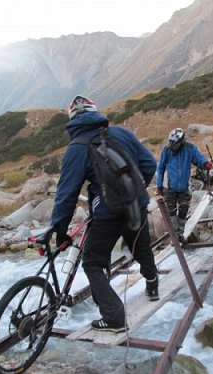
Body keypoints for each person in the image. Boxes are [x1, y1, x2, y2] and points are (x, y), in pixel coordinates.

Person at [50, 95, 159, 333]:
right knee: (140, 247)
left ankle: (114, 318)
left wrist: (59, 230)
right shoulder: (122, 133)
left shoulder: (77, 148)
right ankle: (153, 286)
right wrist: (135, 191)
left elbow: (67, 194)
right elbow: (150, 165)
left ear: (72, 121)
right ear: (96, 113)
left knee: (92, 262)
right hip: (136, 205)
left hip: (108, 214)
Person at [156, 128, 212, 245]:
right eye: (170, 141)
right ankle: (174, 236)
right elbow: (160, 168)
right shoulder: (166, 150)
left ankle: (180, 233)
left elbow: (199, 159)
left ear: (181, 142)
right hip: (169, 186)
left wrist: (205, 163)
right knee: (171, 212)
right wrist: (159, 185)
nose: (172, 145)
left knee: (184, 209)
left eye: (174, 143)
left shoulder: (190, 148)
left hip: (184, 186)